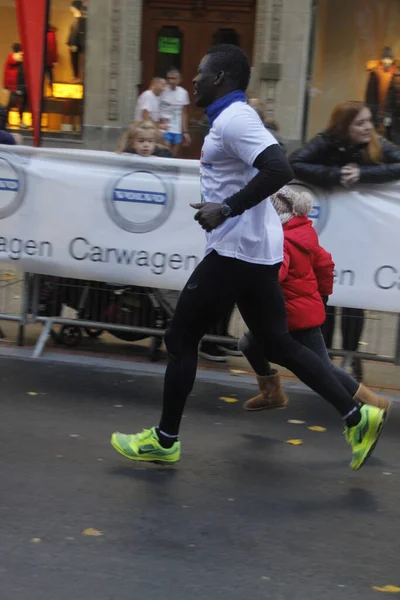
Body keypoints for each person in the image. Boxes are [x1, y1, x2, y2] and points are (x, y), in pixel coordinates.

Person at [111, 45, 386, 472]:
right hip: (255, 251)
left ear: (220, 78)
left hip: (235, 251)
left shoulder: (236, 119)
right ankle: (356, 415)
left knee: (181, 339)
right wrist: (222, 204)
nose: (194, 79)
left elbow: (279, 168)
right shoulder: (230, 118)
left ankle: (165, 440)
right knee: (278, 343)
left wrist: (227, 208)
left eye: (201, 73)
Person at [239, 185, 390, 412]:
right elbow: (325, 263)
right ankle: (271, 392)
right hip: (297, 312)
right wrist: (323, 296)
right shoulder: (303, 231)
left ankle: (373, 403)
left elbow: (276, 272)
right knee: (249, 344)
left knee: (322, 367)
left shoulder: (279, 239)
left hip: (290, 316)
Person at [290, 100, 400, 383]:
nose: (367, 127)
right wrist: (335, 176)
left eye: (368, 121)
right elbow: (295, 162)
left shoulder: (378, 145)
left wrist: (364, 175)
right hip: (329, 234)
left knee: (355, 298)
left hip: (362, 236)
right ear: (344, 126)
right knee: (325, 295)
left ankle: (352, 357)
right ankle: (323, 357)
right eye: (359, 123)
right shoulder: (325, 142)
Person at [160, 68, 191, 156]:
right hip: (164, 127)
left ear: (179, 79)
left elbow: (184, 113)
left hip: (177, 128)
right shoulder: (162, 90)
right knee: (166, 151)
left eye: (174, 78)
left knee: (174, 154)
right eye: (169, 78)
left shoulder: (183, 93)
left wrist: (185, 132)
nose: (171, 81)